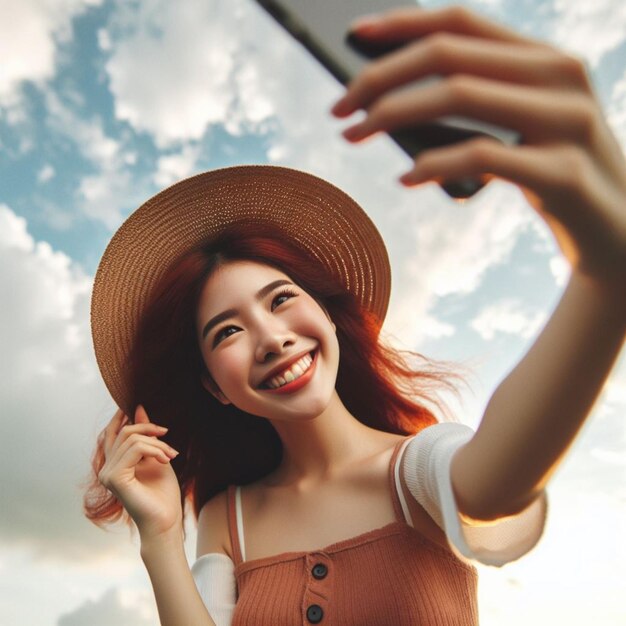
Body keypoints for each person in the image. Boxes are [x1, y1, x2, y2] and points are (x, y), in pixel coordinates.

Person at [84, 6, 626, 626]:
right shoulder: (227, 516)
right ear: (215, 387)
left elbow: (495, 484)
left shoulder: (415, 469)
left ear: (330, 315)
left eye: (281, 298)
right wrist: (159, 536)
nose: (271, 338)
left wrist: (605, 279)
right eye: (227, 331)